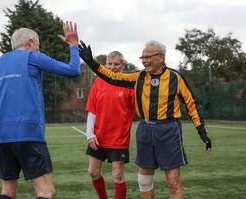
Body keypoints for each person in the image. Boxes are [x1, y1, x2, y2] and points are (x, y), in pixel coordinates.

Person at [79, 40, 212, 199]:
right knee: (144, 181)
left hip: (168, 130)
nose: (144, 60)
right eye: (142, 57)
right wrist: (91, 63)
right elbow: (112, 77)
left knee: (173, 182)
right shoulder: (139, 77)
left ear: (161, 57)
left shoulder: (175, 78)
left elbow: (192, 105)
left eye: (148, 57)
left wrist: (202, 132)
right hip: (145, 130)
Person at [0, 22, 80, 199]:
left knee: (8, 191)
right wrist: (73, 45)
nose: (38, 48)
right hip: (27, 132)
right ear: (31, 42)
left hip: (0, 136)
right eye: (38, 44)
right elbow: (73, 70)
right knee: (46, 191)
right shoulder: (33, 57)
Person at [85, 51, 135, 199]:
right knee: (93, 172)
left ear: (123, 65)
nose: (113, 67)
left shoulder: (129, 85)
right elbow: (92, 110)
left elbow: (140, 108)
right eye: (110, 64)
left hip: (119, 138)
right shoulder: (99, 81)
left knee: (118, 174)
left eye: (116, 64)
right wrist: (89, 133)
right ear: (105, 65)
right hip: (98, 137)